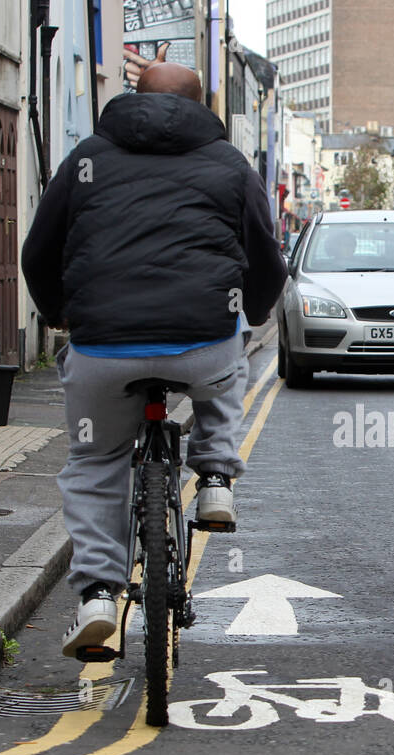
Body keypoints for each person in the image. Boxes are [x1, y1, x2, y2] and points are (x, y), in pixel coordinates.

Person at [21, 62, 286, 657]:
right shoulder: (229, 165)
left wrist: (60, 312)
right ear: (203, 104)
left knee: (94, 462)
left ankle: (95, 597)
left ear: (132, 95)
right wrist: (257, 312)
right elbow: (265, 258)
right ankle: (215, 476)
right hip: (201, 343)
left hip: (102, 348)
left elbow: (39, 249)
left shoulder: (87, 157)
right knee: (225, 372)